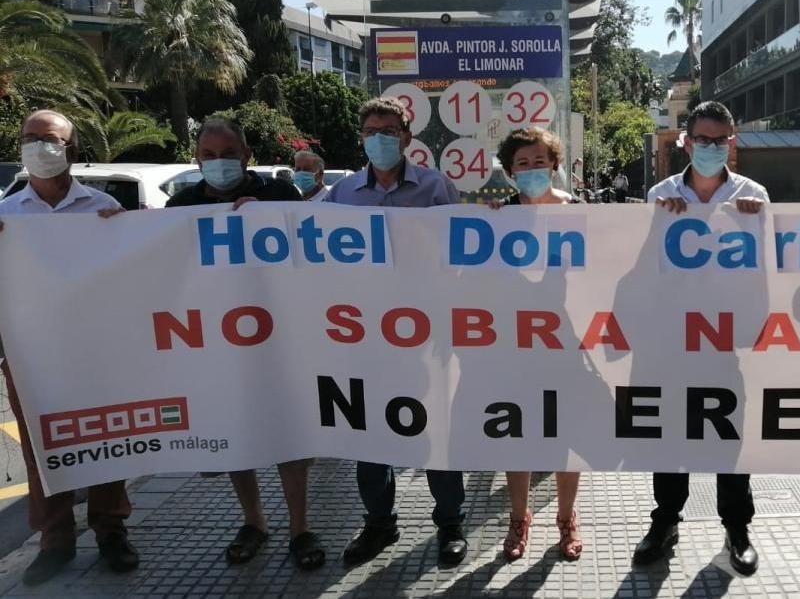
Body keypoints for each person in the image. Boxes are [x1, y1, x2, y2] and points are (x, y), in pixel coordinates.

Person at [165, 118, 324, 570]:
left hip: (280, 337)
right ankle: (254, 521)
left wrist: (266, 220)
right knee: (238, 432)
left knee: (289, 432)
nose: (219, 162)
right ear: (196, 158)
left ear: (247, 154)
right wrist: (112, 228)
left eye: (228, 153)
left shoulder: (279, 196)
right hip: (216, 340)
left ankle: (300, 527)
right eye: (209, 154)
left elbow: (308, 255)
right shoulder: (182, 204)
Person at [325, 97, 468, 567]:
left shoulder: (435, 187)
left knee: (437, 432)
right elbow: (302, 244)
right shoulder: (341, 195)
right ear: (361, 136)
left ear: (406, 137)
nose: (379, 138)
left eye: (388, 130)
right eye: (371, 130)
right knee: (371, 435)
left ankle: (449, 524)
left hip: (426, 338)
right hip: (364, 337)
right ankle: (379, 524)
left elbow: (463, 254)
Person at [0, 110, 135, 586]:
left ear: (71, 150)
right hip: (29, 354)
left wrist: (127, 234)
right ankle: (55, 540)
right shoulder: (6, 217)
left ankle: (110, 528)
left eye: (50, 139)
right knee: (42, 445)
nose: (39, 146)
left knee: (107, 437)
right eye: (30, 138)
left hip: (96, 351)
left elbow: (133, 274)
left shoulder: (102, 208)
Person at [633, 101, 768, 575]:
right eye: (702, 139)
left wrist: (757, 220)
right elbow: (640, 265)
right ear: (686, 142)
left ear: (732, 142)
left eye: (720, 139)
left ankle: (736, 528)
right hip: (671, 339)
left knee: (728, 433)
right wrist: (660, 220)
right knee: (670, 434)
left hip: (724, 341)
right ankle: (665, 520)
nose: (711, 147)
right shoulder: (660, 194)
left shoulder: (755, 196)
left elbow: (769, 266)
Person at [484, 127, 584, 562]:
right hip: (516, 346)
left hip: (569, 347)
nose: (531, 170)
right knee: (517, 436)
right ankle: (520, 518)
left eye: (539, 161)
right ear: (509, 172)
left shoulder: (580, 213)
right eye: (521, 164)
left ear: (554, 165)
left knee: (565, 436)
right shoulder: (499, 217)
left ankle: (566, 519)